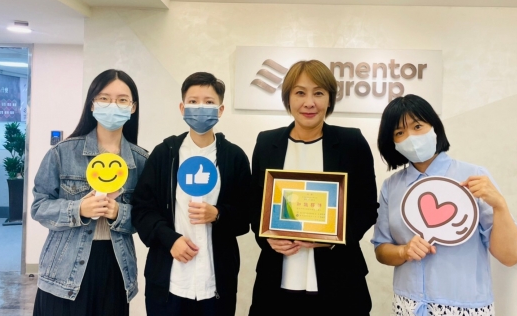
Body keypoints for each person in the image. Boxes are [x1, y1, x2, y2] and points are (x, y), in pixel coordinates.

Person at [248, 60, 379, 315]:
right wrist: (268, 238)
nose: (309, 103)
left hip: (339, 280)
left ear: (330, 99)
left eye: (318, 93)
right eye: (300, 93)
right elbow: (255, 205)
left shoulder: (351, 142)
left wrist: (333, 239)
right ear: (288, 98)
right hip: (277, 280)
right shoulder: (267, 143)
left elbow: (366, 208)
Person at [371, 94, 517, 316]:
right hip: (410, 305)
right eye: (399, 133)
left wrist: (500, 205)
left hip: (465, 306)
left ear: (435, 127)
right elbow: (381, 248)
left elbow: (509, 256)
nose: (410, 137)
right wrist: (403, 251)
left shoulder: (473, 177)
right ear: (392, 143)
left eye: (417, 126)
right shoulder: (391, 186)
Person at [131, 72, 251, 316]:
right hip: (170, 281)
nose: (200, 107)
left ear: (220, 110)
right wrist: (169, 239)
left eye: (209, 102)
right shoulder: (164, 154)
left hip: (215, 283)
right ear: (182, 107)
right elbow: (142, 209)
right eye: (193, 101)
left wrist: (218, 214)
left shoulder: (234, 157)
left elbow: (246, 216)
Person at [31, 69, 148, 316]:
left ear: (133, 107)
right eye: (104, 98)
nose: (113, 105)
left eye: (122, 100)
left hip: (115, 268)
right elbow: (39, 207)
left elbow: (146, 217)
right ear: (92, 104)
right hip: (63, 269)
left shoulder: (141, 161)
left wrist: (118, 213)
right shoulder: (62, 153)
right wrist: (78, 209)